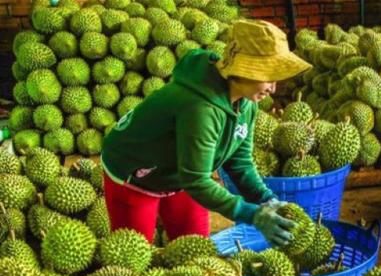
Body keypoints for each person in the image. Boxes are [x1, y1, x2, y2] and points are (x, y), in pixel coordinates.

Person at [100, 19, 311, 246]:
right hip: (134, 172)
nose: (273, 88)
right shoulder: (200, 109)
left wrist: (265, 198)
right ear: (244, 70)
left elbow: (239, 162)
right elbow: (197, 180)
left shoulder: (247, 103)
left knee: (196, 249)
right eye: (267, 77)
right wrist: (252, 215)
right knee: (133, 257)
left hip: (184, 175)